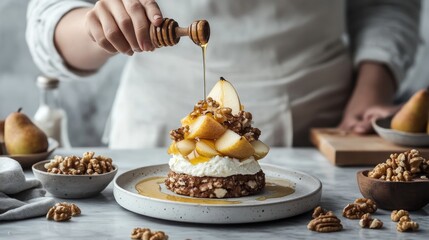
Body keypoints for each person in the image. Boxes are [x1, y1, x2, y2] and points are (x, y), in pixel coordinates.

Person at [26, 0, 421, 147]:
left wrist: (371, 90)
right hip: (152, 132)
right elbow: (48, 22)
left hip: (320, 128)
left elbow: (387, 6)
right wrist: (97, 26)